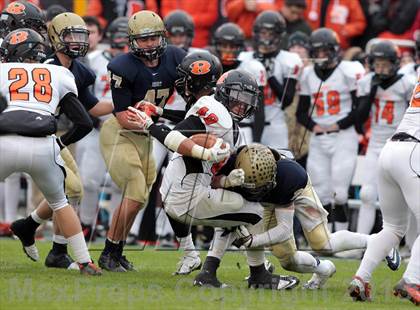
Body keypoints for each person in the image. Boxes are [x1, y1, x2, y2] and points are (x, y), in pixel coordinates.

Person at [129, 67, 300, 290]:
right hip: (187, 196)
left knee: (232, 212)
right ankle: (259, 276)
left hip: (181, 189)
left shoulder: (215, 111)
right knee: (256, 212)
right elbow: (177, 136)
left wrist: (228, 182)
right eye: (237, 99)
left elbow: (190, 119)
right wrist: (151, 125)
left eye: (247, 101)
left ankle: (208, 274)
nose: (242, 106)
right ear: (223, 93)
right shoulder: (220, 117)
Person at [11, 12, 113, 270]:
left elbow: (90, 109)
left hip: (60, 135)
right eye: (71, 35)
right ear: (55, 37)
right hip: (39, 133)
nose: (77, 41)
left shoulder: (80, 71)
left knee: (68, 191)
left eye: (81, 35)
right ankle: (48, 241)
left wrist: (126, 102)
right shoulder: (43, 65)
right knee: (73, 190)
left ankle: (41, 235)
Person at [97, 10, 186, 272]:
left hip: (146, 134)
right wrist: (155, 122)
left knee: (141, 197)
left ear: (162, 37)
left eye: (153, 38)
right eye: (143, 39)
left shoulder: (176, 58)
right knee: (135, 193)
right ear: (133, 41)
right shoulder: (122, 66)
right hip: (121, 134)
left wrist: (161, 117)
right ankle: (107, 253)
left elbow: (190, 96)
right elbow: (123, 115)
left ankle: (116, 251)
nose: (149, 44)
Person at [348, 69, 420, 306]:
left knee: (393, 227)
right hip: (412, 152)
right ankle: (412, 280)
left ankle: (361, 277)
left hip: (390, 148)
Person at [296, 28, 365, 232]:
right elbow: (301, 112)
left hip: (344, 136)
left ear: (334, 50)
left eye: (325, 51)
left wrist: (340, 124)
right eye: (317, 52)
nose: (321, 56)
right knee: (320, 193)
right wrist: (314, 126)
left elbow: (360, 107)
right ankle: (326, 238)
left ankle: (343, 238)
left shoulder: (348, 70)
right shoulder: (308, 74)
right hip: (319, 138)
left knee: (340, 193)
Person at [356, 41, 416, 237]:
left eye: (385, 64)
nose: (380, 68)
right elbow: (360, 116)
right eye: (377, 64)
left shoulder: (406, 82)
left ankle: (408, 247)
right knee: (366, 195)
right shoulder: (367, 82)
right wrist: (372, 91)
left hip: (400, 144)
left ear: (394, 63)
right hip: (375, 144)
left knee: (407, 198)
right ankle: (360, 242)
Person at [77, 17, 129, 241]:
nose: (121, 49)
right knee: (88, 181)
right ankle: (86, 222)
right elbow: (83, 94)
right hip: (97, 127)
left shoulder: (137, 64)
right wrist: (92, 117)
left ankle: (114, 231)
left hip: (125, 130)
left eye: (125, 43)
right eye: (118, 43)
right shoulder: (94, 59)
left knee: (121, 184)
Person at [241, 10, 303, 149]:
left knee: (279, 167)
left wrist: (269, 74)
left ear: (279, 35)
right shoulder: (244, 58)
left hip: (275, 126)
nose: (266, 38)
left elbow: (287, 100)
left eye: (270, 34)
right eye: (263, 33)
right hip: (248, 125)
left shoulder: (289, 60)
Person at [212, 22, 267, 145]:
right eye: (224, 46)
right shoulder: (211, 66)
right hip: (214, 127)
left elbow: (259, 110)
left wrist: (257, 141)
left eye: (232, 47)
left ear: (240, 48)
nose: (227, 50)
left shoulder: (252, 67)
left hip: (242, 127)